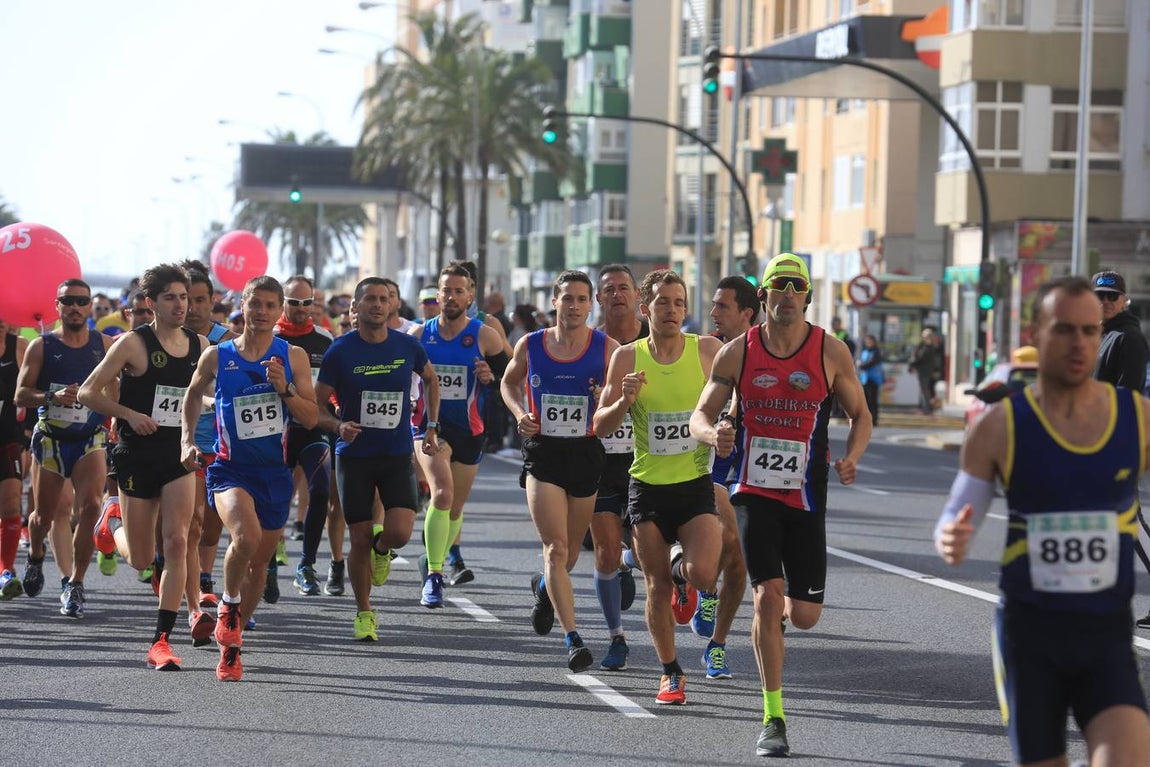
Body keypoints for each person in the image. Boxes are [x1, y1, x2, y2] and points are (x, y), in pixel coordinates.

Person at [935, 275, 1150, 767]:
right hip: (1031, 640)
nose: (1079, 343)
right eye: (1064, 330)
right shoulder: (1000, 427)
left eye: (1090, 331)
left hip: (1106, 639)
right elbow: (954, 514)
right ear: (1035, 334)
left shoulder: (1136, 418)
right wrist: (952, 534)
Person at [690, 253, 872, 757]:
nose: (787, 294)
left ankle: (782, 615)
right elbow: (699, 415)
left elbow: (861, 414)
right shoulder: (738, 352)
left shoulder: (830, 352)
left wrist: (853, 456)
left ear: (808, 297)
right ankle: (774, 716)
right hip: (753, 490)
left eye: (796, 286)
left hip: (807, 495)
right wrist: (715, 436)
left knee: (806, 614)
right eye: (778, 286)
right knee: (767, 597)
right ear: (764, 296)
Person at [595, 269, 723, 705]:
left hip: (694, 484)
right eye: (663, 302)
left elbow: (735, 398)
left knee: (705, 572)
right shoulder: (627, 359)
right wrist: (623, 400)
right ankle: (671, 673)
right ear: (644, 308)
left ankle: (681, 571)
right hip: (647, 487)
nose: (672, 310)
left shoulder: (706, 350)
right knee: (656, 588)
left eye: (679, 302)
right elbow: (600, 425)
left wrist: (728, 423)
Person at [179, 275, 318, 681]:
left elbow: (310, 417)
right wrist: (187, 440)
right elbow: (191, 395)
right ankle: (227, 605)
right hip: (228, 468)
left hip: (274, 473)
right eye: (254, 303)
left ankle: (233, 641)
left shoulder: (291, 357)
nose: (261, 312)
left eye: (270, 305)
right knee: (246, 537)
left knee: (260, 565)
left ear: (279, 312)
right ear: (242, 304)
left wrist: (286, 389)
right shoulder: (219, 355)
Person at [82, 263, 209, 669]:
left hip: (177, 455)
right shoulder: (132, 344)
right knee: (139, 559)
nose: (180, 305)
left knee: (176, 542)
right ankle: (112, 520)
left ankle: (161, 641)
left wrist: (209, 407)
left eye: (184, 297)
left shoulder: (200, 343)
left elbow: (196, 395)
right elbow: (88, 392)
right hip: (136, 453)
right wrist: (128, 414)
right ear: (150, 302)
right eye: (170, 297)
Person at [500, 270, 618, 672]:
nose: (574, 306)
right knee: (556, 549)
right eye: (566, 298)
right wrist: (520, 414)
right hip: (544, 454)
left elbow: (623, 400)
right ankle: (573, 639)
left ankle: (544, 588)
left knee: (565, 560)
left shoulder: (607, 348)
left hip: (585, 454)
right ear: (554, 302)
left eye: (582, 299)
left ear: (591, 305)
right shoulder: (531, 344)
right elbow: (508, 383)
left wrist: (607, 397)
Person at [314, 277, 439, 642]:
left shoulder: (407, 346)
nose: (377, 305)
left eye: (384, 299)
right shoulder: (340, 351)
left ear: (392, 305)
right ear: (357, 305)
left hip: (397, 452)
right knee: (359, 535)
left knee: (398, 532)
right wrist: (338, 426)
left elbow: (431, 380)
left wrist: (431, 425)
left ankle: (382, 549)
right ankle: (364, 612)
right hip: (354, 457)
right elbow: (316, 405)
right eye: (369, 298)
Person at [409, 262, 509, 605]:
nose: (451, 297)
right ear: (437, 295)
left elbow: (510, 376)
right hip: (428, 428)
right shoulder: (420, 336)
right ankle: (434, 576)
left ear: (470, 296)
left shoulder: (484, 335)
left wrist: (489, 378)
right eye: (445, 290)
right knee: (442, 494)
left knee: (454, 508)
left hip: (471, 430)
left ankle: (432, 555)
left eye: (458, 291)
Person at [16, 279, 115, 612]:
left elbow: (118, 381)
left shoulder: (104, 344)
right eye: (67, 301)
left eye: (81, 301)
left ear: (89, 307)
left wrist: (114, 416)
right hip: (52, 441)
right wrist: (50, 396)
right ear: (57, 306)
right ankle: (35, 554)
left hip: (89, 439)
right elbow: (20, 394)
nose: (74, 307)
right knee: (43, 517)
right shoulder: (41, 346)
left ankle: (75, 583)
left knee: (90, 507)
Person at [589, 263, 648, 672]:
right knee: (606, 551)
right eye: (608, 290)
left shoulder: (657, 340)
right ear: (599, 299)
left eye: (624, 288)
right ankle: (617, 638)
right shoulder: (586, 344)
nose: (616, 295)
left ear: (637, 296)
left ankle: (630, 564)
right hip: (599, 459)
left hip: (648, 460)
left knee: (645, 555)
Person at [699, 275, 757, 680]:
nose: (713, 313)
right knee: (731, 538)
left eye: (722, 306)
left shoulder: (769, 351)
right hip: (713, 461)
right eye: (714, 304)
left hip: (755, 461)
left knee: (739, 563)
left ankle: (716, 646)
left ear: (746, 313)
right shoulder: (707, 349)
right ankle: (702, 587)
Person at [272, 276, 335, 598]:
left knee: (321, 487)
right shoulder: (270, 338)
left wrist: (336, 410)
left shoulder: (325, 339)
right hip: (273, 433)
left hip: (311, 430)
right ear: (283, 302)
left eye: (306, 303)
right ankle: (268, 562)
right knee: (274, 499)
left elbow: (335, 387)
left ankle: (306, 565)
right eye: (293, 303)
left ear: (314, 303)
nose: (300, 309)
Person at [0, 319, 29, 599]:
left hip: (8, 438)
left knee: (10, 503)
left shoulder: (18, 347)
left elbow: (34, 381)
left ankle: (5, 570)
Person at [909, 328, 942, 414]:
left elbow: (920, 358)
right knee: (924, 390)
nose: (923, 338)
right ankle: (923, 408)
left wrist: (912, 363)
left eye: (924, 336)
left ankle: (926, 409)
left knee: (924, 390)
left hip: (925, 371)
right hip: (925, 371)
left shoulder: (928, 347)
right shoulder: (926, 346)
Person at [857, 334, 884, 427]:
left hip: (874, 379)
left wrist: (861, 365)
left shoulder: (876, 352)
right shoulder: (864, 351)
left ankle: (874, 420)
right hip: (865, 379)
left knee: (873, 401)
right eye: (867, 341)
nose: (868, 343)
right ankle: (866, 420)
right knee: (866, 401)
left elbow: (871, 363)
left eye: (870, 341)